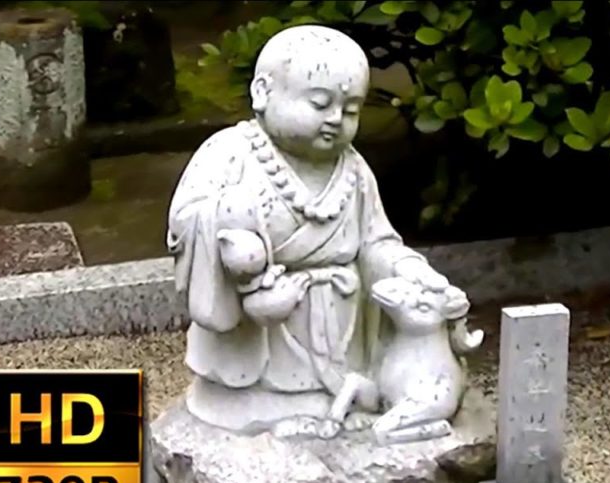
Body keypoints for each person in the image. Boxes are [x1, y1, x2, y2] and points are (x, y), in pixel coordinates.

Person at [165, 24, 464, 434]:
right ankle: (253, 404)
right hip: (261, 323)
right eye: (320, 103)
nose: (336, 119)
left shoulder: (354, 170)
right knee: (253, 403)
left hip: (338, 321)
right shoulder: (229, 153)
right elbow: (186, 221)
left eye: (352, 109)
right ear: (262, 93)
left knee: (340, 389)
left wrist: (408, 269)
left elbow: (376, 242)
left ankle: (333, 404)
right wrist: (233, 237)